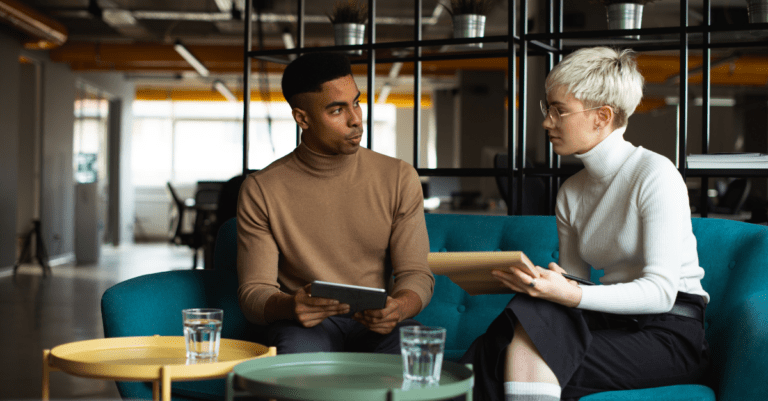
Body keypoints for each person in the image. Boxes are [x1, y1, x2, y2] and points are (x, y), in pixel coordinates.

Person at [460, 47, 710, 401]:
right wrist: (542, 284)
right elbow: (572, 284)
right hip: (611, 323)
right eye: (548, 109)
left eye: (559, 111)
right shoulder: (571, 192)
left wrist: (568, 292)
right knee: (518, 323)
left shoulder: (655, 174)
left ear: (601, 117)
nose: (547, 122)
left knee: (505, 354)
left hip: (670, 332)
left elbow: (661, 292)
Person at [236, 52, 434, 355]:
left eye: (356, 102)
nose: (355, 119)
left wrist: (399, 307)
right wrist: (290, 306)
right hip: (307, 326)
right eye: (337, 110)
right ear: (302, 118)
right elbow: (253, 293)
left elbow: (416, 273)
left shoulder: (399, 177)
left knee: (419, 351)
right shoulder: (261, 189)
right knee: (298, 365)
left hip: (376, 323)